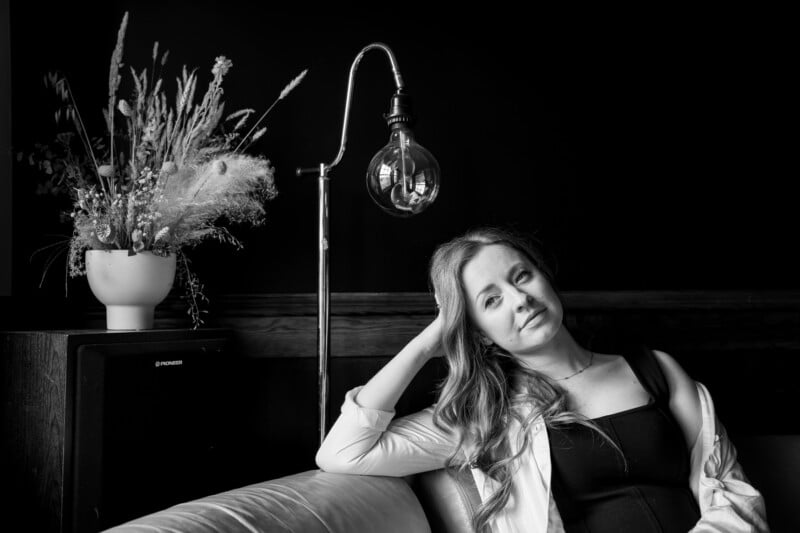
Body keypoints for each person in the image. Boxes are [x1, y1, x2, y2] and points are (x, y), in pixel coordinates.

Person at [316, 227, 768, 533]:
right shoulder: (485, 416)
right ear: (479, 333)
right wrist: (429, 339)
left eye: (522, 277)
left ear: (545, 279)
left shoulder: (655, 369)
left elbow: (730, 489)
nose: (520, 300)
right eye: (492, 301)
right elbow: (344, 452)